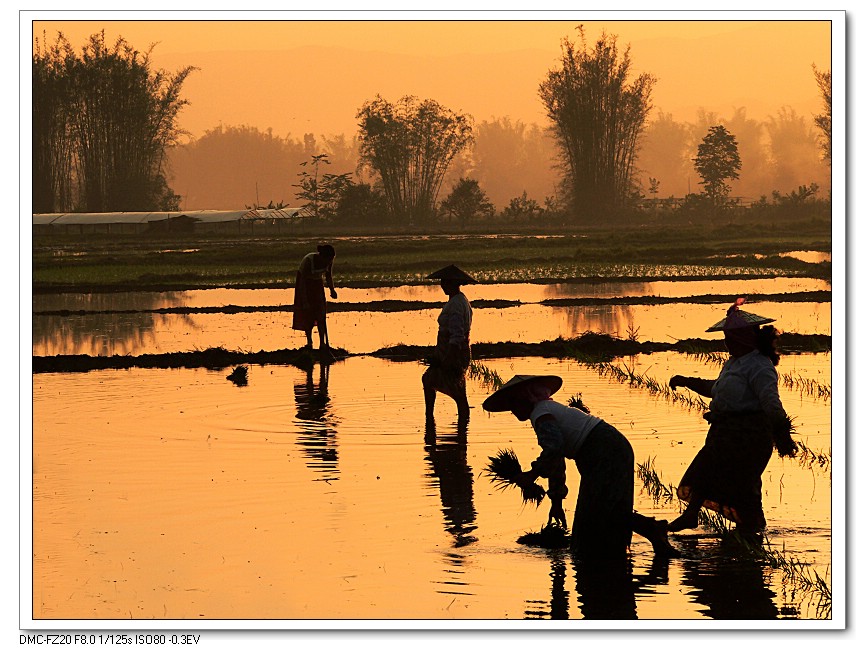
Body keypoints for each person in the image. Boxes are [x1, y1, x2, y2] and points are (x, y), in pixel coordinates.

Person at [482, 374, 679, 561]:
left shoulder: (541, 413)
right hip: (607, 449)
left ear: (526, 399)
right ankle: (651, 530)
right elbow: (556, 462)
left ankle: (651, 530)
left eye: (514, 404)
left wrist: (532, 474)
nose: (513, 410)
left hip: (604, 451)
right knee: (603, 507)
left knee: (600, 509)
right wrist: (556, 502)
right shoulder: (546, 410)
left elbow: (554, 449)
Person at [667, 298, 795, 535]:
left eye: (730, 337)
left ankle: (752, 538)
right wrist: (687, 382)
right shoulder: (734, 363)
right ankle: (693, 515)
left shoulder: (760, 366)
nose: (726, 342)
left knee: (743, 488)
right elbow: (716, 389)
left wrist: (782, 432)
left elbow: (771, 403)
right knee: (705, 472)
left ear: (742, 338)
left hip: (748, 438)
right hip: (724, 434)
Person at [422, 264, 475, 422]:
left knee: (436, 383)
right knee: (454, 390)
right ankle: (459, 431)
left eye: (446, 282)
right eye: (442, 282)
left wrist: (448, 359)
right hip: (453, 352)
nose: (442, 285)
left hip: (454, 353)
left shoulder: (457, 304)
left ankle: (431, 421)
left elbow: (456, 335)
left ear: (454, 284)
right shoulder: (459, 300)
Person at [292, 244, 338, 351]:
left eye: (330, 260)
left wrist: (332, 289)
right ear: (322, 256)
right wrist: (304, 301)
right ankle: (309, 342)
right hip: (306, 286)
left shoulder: (329, 261)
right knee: (308, 314)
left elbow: (328, 276)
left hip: (317, 286)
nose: (328, 262)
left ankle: (322, 343)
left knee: (321, 314)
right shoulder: (308, 261)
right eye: (327, 259)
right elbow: (302, 282)